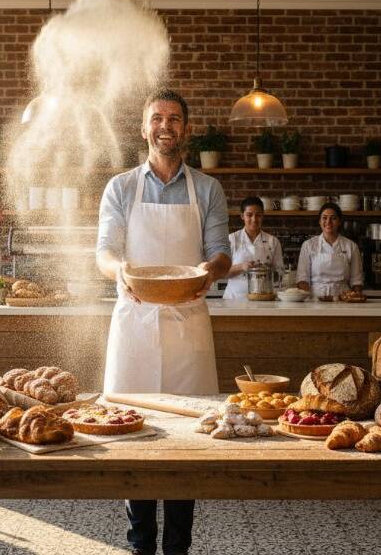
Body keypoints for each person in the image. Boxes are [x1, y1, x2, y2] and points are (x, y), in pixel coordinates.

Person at [96, 89, 231, 555]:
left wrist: (209, 271)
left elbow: (220, 252)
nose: (165, 126)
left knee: (187, 439)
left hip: (187, 322)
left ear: (186, 129)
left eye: (174, 119)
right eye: (157, 118)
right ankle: (140, 545)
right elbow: (105, 253)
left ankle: (178, 546)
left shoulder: (208, 189)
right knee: (132, 432)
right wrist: (121, 273)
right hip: (134, 321)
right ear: (144, 128)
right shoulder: (120, 188)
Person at [296, 202, 364, 297]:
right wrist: (308, 300)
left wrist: (355, 298)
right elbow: (302, 279)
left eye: (333, 218)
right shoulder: (308, 245)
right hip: (316, 299)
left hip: (343, 298)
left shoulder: (351, 246)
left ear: (339, 222)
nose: (328, 222)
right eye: (324, 218)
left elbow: (356, 281)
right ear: (319, 221)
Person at [223, 196, 284, 299]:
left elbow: (280, 273)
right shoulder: (232, 239)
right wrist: (241, 267)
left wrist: (267, 269)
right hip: (234, 299)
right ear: (242, 216)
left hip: (263, 299)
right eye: (249, 215)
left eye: (258, 215)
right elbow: (221, 273)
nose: (254, 219)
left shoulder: (273, 241)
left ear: (263, 216)